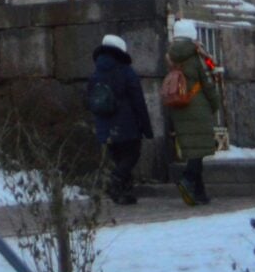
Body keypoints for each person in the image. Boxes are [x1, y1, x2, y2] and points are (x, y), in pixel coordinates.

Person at [86, 31, 151, 205]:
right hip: (126, 123)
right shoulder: (125, 71)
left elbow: (89, 99)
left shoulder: (96, 73)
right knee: (131, 155)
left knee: (118, 158)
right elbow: (138, 100)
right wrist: (146, 127)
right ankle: (114, 182)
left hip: (104, 123)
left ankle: (123, 193)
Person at [163, 20, 224, 207]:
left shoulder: (171, 56)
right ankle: (188, 179)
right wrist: (215, 104)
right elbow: (207, 82)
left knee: (193, 150)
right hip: (198, 107)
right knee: (199, 151)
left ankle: (199, 192)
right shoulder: (196, 56)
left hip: (178, 105)